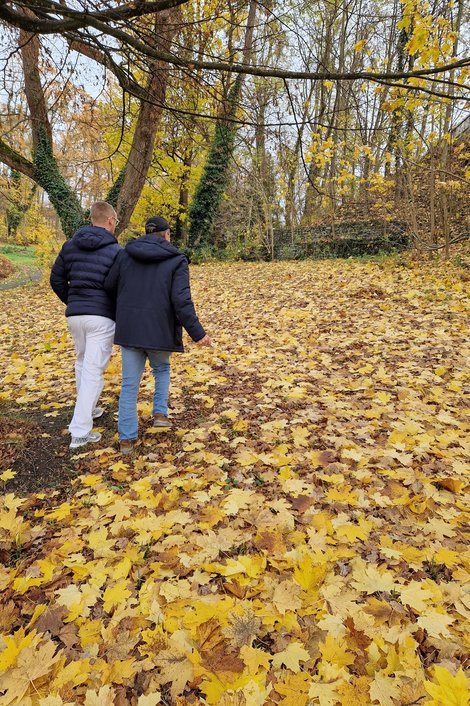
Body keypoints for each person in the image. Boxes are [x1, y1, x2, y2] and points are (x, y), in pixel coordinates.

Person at [104, 215, 211, 454]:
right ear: (166, 234)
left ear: (146, 233)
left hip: (130, 328)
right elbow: (181, 300)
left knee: (130, 384)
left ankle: (126, 439)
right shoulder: (176, 259)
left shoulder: (125, 255)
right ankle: (160, 413)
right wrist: (198, 334)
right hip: (160, 329)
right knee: (161, 369)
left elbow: (109, 285)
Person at [50, 201, 121, 449]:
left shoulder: (70, 246)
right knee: (93, 370)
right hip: (101, 317)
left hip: (76, 315)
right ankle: (80, 432)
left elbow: (56, 279)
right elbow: (118, 286)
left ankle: (88, 410)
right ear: (110, 220)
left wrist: (72, 300)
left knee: (82, 363)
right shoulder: (115, 251)